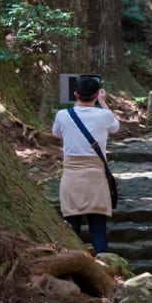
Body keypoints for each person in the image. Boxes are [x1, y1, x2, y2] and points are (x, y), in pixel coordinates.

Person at [50, 74, 119, 254]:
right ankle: (104, 263)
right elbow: (115, 127)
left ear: (75, 94)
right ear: (97, 94)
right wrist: (103, 102)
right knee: (98, 225)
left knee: (72, 225)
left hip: (72, 176)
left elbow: (56, 133)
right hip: (96, 176)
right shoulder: (104, 116)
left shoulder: (63, 115)